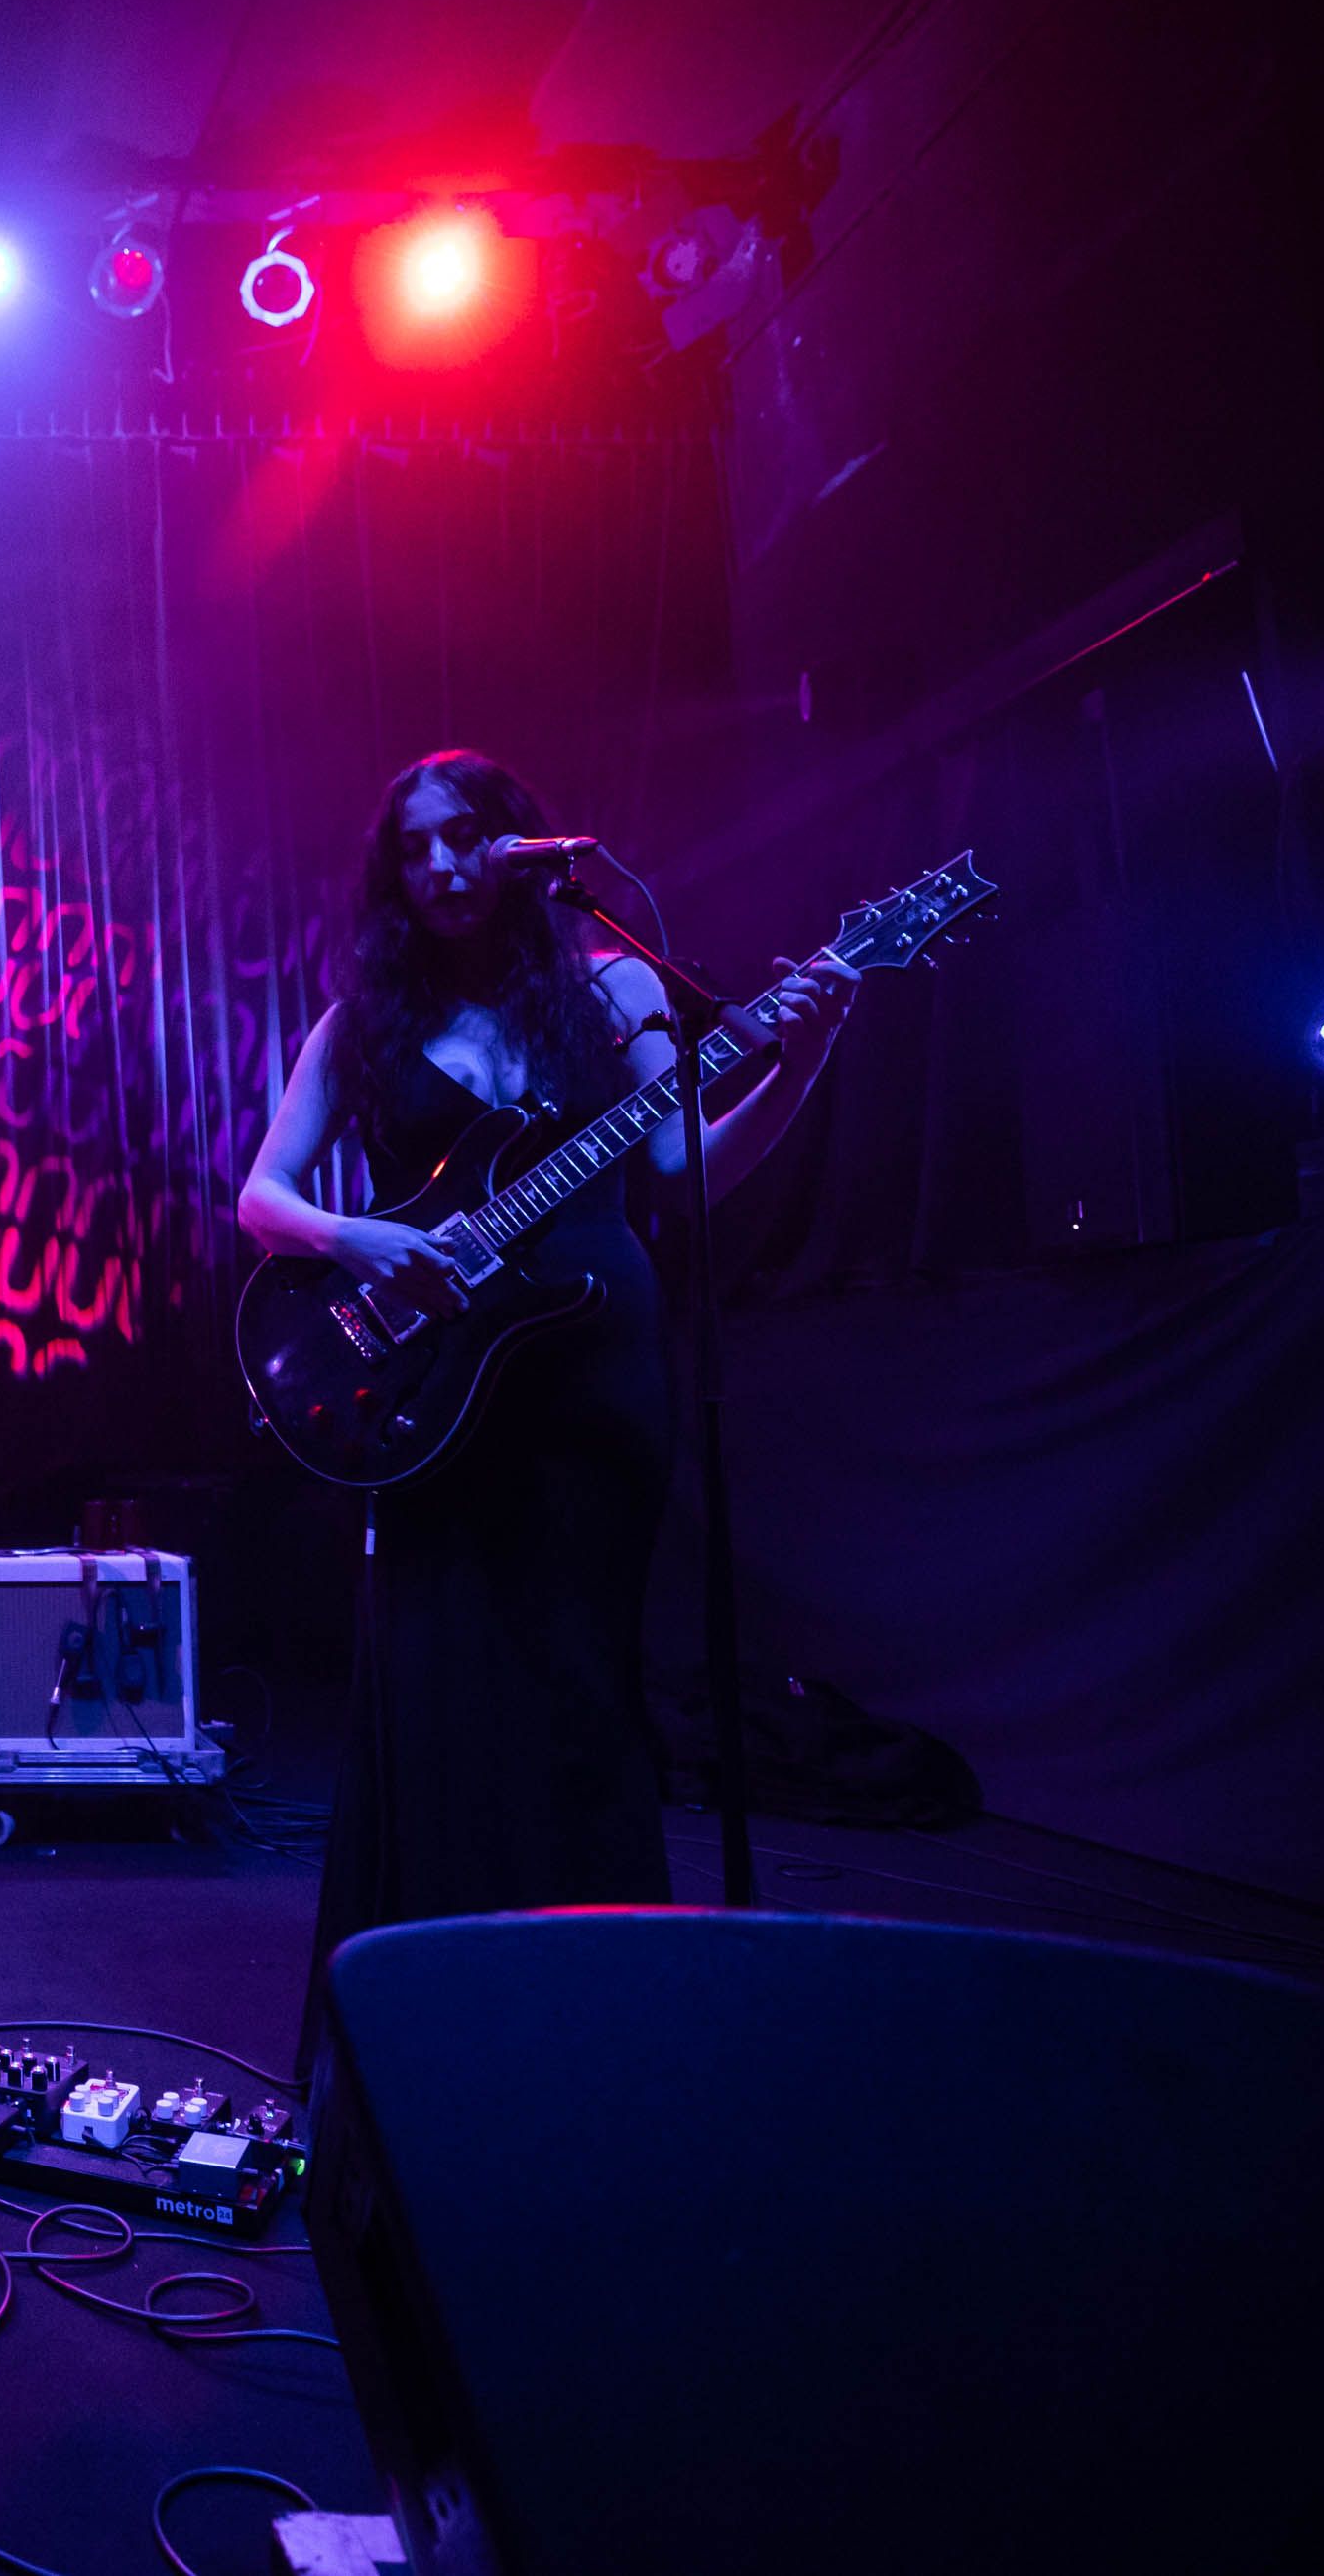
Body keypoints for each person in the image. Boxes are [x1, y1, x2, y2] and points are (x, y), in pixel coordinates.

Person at [238, 751, 860, 1995]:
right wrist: (355, 1238)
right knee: (440, 1681)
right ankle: (431, 1990)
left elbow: (682, 1169)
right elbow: (262, 1198)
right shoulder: (362, 1023)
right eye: (413, 847)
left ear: (517, 845)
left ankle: (590, 1997)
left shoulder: (613, 983)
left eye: (464, 836)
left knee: (579, 1678)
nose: (441, 865)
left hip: (591, 1377)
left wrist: (801, 1058)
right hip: (436, 1384)